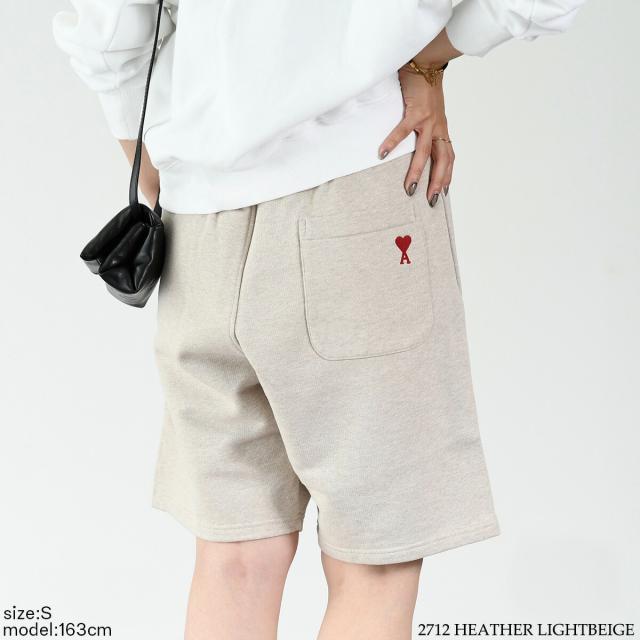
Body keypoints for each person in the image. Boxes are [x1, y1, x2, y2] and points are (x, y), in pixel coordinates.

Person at [53, 1, 585, 638]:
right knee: (374, 566)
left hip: (198, 225)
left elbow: (109, 22)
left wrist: (144, 146)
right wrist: (426, 62)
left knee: (234, 558)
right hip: (356, 194)